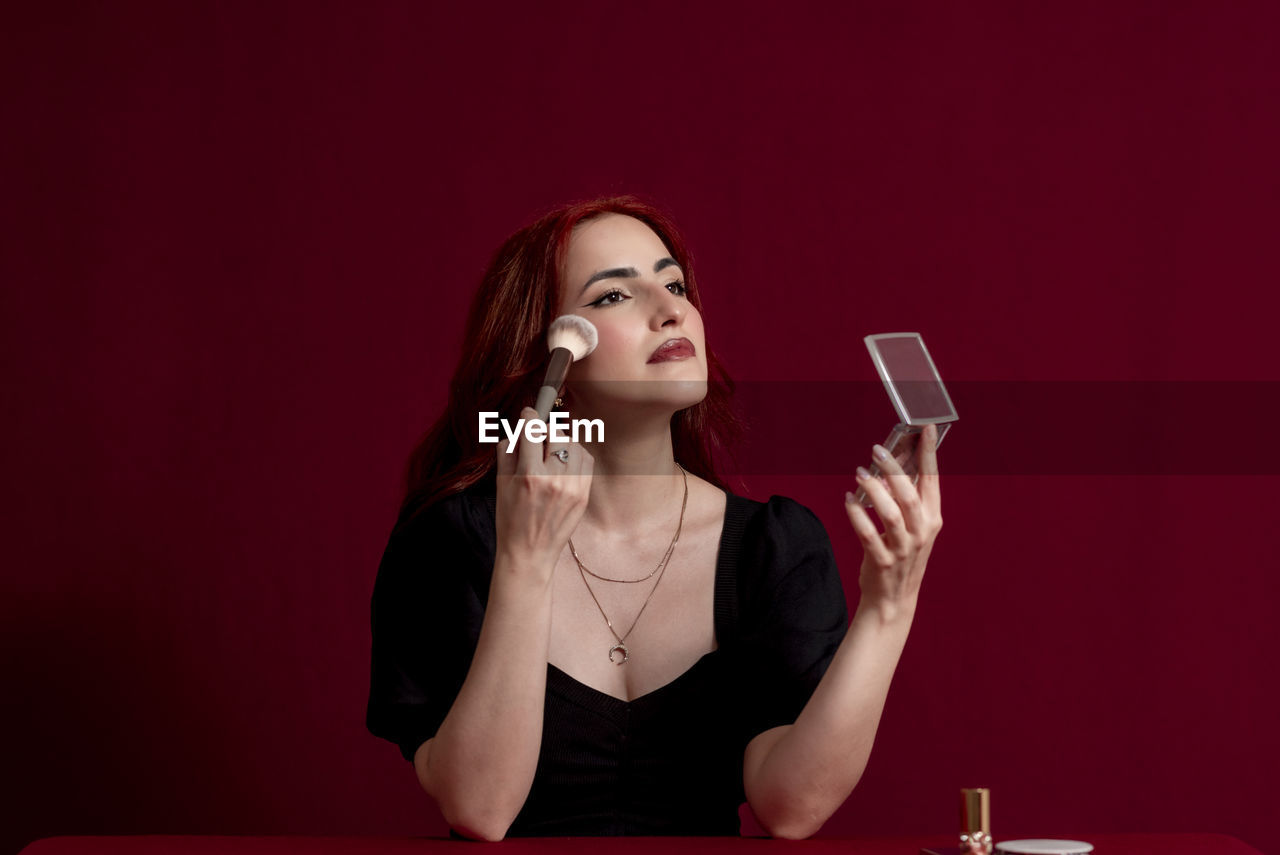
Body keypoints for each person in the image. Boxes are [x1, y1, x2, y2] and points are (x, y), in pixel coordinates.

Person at [365, 196, 943, 840]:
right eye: (613, 296)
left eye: (674, 284)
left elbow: (791, 807)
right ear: (546, 360)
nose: (671, 309)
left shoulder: (772, 547)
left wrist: (889, 605)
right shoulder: (447, 544)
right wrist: (525, 561)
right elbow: (480, 809)